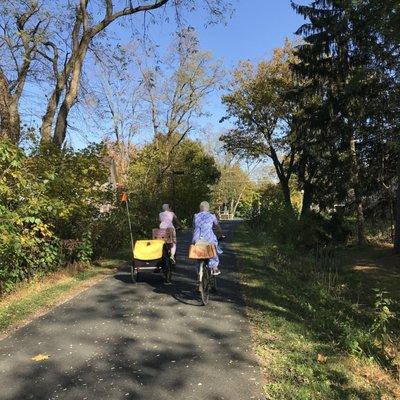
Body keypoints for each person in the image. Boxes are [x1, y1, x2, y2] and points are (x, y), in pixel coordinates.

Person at [192, 201, 224, 276]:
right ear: (208, 208)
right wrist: (221, 234)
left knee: (198, 252)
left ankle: (199, 270)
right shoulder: (212, 216)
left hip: (196, 238)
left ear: (200, 208)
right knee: (214, 247)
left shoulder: (196, 215)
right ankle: (214, 267)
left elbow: (193, 226)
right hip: (209, 238)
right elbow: (217, 226)